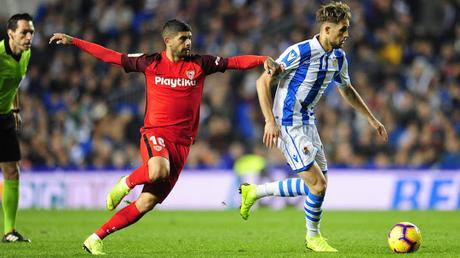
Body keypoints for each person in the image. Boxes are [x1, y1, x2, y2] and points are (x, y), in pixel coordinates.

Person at [49, 19, 278, 255]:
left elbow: (235, 62)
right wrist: (74, 41)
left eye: (189, 37)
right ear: (167, 40)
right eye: (183, 38)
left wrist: (262, 60)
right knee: (158, 169)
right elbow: (112, 57)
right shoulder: (151, 62)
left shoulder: (200, 63)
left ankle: (95, 238)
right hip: (155, 134)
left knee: (146, 203)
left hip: (182, 144)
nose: (188, 42)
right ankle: (126, 182)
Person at [239, 2, 388, 252]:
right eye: (342, 30)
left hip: (309, 122)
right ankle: (313, 237)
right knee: (318, 186)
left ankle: (254, 191)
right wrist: (269, 121)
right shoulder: (300, 52)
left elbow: (347, 89)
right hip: (288, 123)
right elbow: (262, 82)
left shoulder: (339, 58)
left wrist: (372, 119)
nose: (347, 34)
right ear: (327, 29)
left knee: (319, 184)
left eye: (347, 29)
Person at [0, 13, 34, 243]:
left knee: (12, 171)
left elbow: (15, 84)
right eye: (24, 32)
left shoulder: (26, 54)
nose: (29, 37)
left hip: (3, 118)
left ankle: (9, 231)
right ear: (11, 33)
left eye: (31, 32)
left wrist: (15, 110)